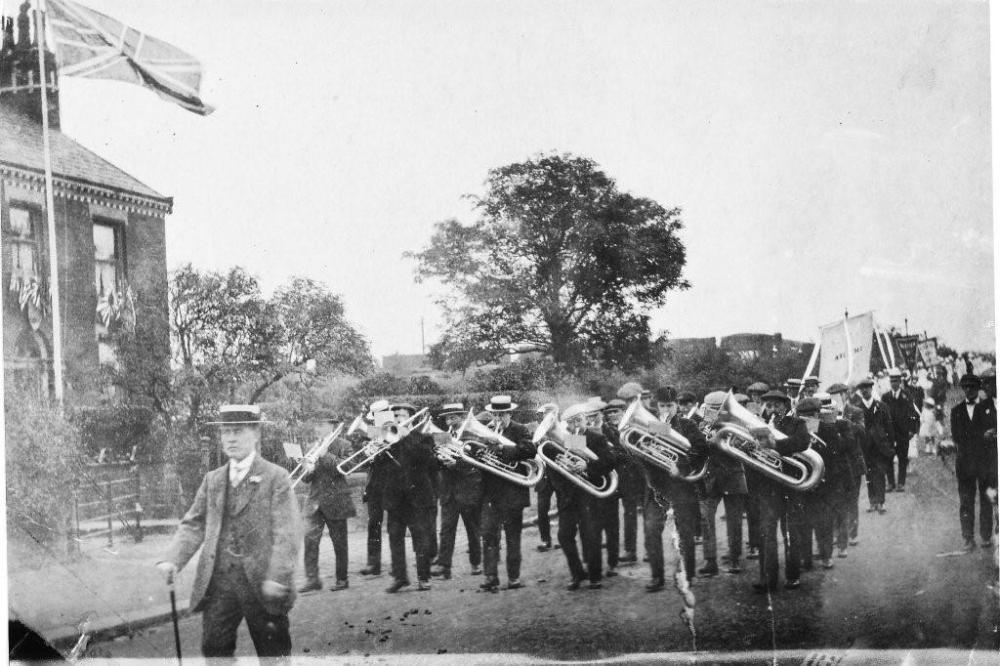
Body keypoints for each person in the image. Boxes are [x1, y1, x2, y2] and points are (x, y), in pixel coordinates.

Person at [156, 405, 299, 660]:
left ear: (255, 434)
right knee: (214, 648)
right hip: (220, 582)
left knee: (273, 653)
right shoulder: (213, 480)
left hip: (262, 583)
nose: (230, 438)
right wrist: (173, 559)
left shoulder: (276, 478)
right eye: (226, 432)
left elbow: (287, 533)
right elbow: (194, 523)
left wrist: (277, 576)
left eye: (238, 431)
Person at [642, 386, 709, 592]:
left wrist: (680, 465)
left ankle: (688, 575)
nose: (666, 410)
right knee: (651, 530)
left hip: (681, 487)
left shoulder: (687, 425)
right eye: (662, 406)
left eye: (670, 406)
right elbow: (636, 452)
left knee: (685, 533)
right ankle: (656, 577)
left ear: (676, 407)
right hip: (656, 487)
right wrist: (646, 450)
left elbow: (702, 449)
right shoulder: (652, 425)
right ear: (657, 406)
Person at [550, 403, 616, 589]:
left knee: (590, 535)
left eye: (579, 419)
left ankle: (595, 577)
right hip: (568, 496)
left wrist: (586, 466)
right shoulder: (562, 439)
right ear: (566, 425)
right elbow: (552, 467)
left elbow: (610, 460)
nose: (576, 425)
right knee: (564, 536)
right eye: (571, 422)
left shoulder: (596, 437)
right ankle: (577, 573)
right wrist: (564, 468)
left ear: (585, 419)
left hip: (588, 493)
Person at [750, 390, 810, 593]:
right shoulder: (761, 425)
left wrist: (775, 445)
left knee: (791, 532)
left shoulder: (797, 423)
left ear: (785, 405)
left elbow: (803, 442)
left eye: (776, 405)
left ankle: (793, 575)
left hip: (790, 484)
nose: (772, 409)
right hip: (768, 485)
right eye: (769, 405)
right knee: (766, 532)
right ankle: (768, 578)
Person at [479, 395, 537, 591]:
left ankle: (513, 577)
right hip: (491, 493)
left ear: (509, 413)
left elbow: (530, 450)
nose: (497, 418)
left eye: (501, 414)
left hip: (513, 492)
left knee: (513, 537)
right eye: (494, 414)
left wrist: (503, 448)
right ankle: (490, 577)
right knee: (488, 535)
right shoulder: (486, 431)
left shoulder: (519, 429)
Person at [298, 410, 357, 593]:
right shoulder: (311, 445)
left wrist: (325, 455)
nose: (318, 428)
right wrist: (307, 469)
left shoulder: (343, 444)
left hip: (336, 500)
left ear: (332, 426)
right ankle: (312, 579)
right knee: (310, 541)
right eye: (316, 425)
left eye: (322, 425)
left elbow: (347, 468)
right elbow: (307, 480)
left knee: (339, 542)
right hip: (315, 501)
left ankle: (342, 579)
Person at [383, 402, 437, 592]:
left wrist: (406, 438)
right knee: (395, 538)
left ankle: (424, 578)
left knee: (420, 538)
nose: (398, 418)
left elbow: (428, 460)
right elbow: (380, 466)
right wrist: (374, 452)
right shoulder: (387, 437)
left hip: (417, 496)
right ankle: (400, 577)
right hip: (395, 497)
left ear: (412, 417)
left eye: (402, 415)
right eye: (395, 415)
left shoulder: (423, 437)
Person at [698, 391, 748, 576]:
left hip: (733, 477)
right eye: (708, 408)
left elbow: (744, 449)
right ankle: (710, 561)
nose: (709, 412)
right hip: (710, 478)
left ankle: (735, 559)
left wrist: (717, 440)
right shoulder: (703, 423)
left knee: (734, 521)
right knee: (705, 518)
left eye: (714, 409)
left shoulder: (737, 424)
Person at [431, 402, 484, 579]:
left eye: (453, 416)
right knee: (446, 529)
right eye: (447, 417)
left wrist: (457, 464)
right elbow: (436, 460)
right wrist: (439, 458)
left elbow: (478, 460)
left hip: (468, 488)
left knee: (472, 528)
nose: (449, 420)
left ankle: (476, 563)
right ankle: (444, 567)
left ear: (462, 417)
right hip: (448, 490)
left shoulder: (472, 434)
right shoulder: (443, 436)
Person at [950, 374, 998, 551]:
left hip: (985, 463)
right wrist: (982, 436)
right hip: (965, 463)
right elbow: (958, 437)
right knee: (966, 501)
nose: (968, 390)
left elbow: (993, 433)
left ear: (978, 387)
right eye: (965, 387)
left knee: (986, 499)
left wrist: (989, 436)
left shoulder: (989, 408)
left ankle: (986, 536)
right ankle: (968, 538)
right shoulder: (956, 411)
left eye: (971, 386)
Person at [603, 398, 643, 564]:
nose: (612, 415)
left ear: (624, 411)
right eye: (609, 413)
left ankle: (630, 551)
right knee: (610, 516)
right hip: (610, 477)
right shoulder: (601, 429)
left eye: (616, 411)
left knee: (630, 514)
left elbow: (663, 429)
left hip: (631, 476)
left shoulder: (635, 424)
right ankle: (613, 555)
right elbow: (579, 443)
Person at [851, 377, 894, 515]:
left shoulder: (881, 407)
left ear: (872, 388)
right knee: (868, 475)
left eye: (867, 387)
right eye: (862, 388)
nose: (865, 390)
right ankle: (872, 501)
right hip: (864, 447)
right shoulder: (856, 408)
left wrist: (890, 445)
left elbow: (889, 427)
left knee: (880, 473)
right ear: (859, 391)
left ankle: (880, 502)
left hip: (880, 446)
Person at [360, 399, 393, 576]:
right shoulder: (372, 432)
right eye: (374, 419)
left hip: (394, 483)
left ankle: (403, 562)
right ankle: (374, 563)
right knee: (374, 523)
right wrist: (369, 451)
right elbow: (365, 458)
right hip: (375, 485)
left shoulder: (397, 429)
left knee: (400, 524)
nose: (374, 422)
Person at [881, 368, 919, 492]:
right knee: (888, 458)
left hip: (903, 433)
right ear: (889, 382)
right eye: (892, 381)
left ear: (900, 381)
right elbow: (882, 415)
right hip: (889, 433)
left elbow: (912, 413)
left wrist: (912, 430)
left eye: (896, 381)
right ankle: (891, 483)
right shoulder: (885, 397)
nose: (894, 383)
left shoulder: (906, 395)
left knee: (903, 459)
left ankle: (901, 483)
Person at [533, 403, 559, 552]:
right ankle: (545, 540)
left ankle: (566, 537)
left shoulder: (564, 428)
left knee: (564, 507)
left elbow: (577, 447)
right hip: (544, 476)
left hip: (561, 474)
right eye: (540, 416)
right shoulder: (538, 432)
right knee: (542, 510)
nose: (541, 418)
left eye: (544, 415)